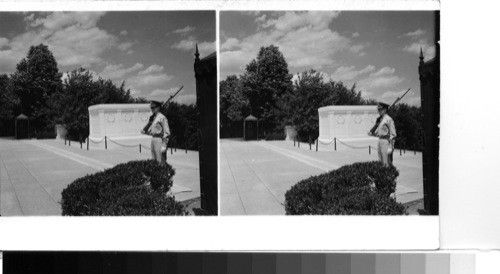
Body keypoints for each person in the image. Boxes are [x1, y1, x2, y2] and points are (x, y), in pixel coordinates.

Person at [141, 100, 170, 165]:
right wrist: (145, 130)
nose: (152, 109)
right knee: (154, 161)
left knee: (160, 161)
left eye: (153, 107)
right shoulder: (154, 118)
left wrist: (164, 145)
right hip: (153, 139)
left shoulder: (162, 117)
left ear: (158, 108)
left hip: (159, 140)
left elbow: (167, 132)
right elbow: (153, 132)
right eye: (151, 107)